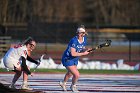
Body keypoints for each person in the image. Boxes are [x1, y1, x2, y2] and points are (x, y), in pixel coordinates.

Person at [59, 25, 91, 92]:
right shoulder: (74, 40)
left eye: (82, 33)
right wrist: (83, 53)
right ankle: (73, 86)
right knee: (76, 74)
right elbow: (73, 53)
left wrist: (86, 50)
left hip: (75, 59)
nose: (81, 35)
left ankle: (63, 83)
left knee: (70, 73)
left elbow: (82, 48)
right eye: (80, 33)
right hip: (67, 58)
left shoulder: (84, 39)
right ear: (78, 33)